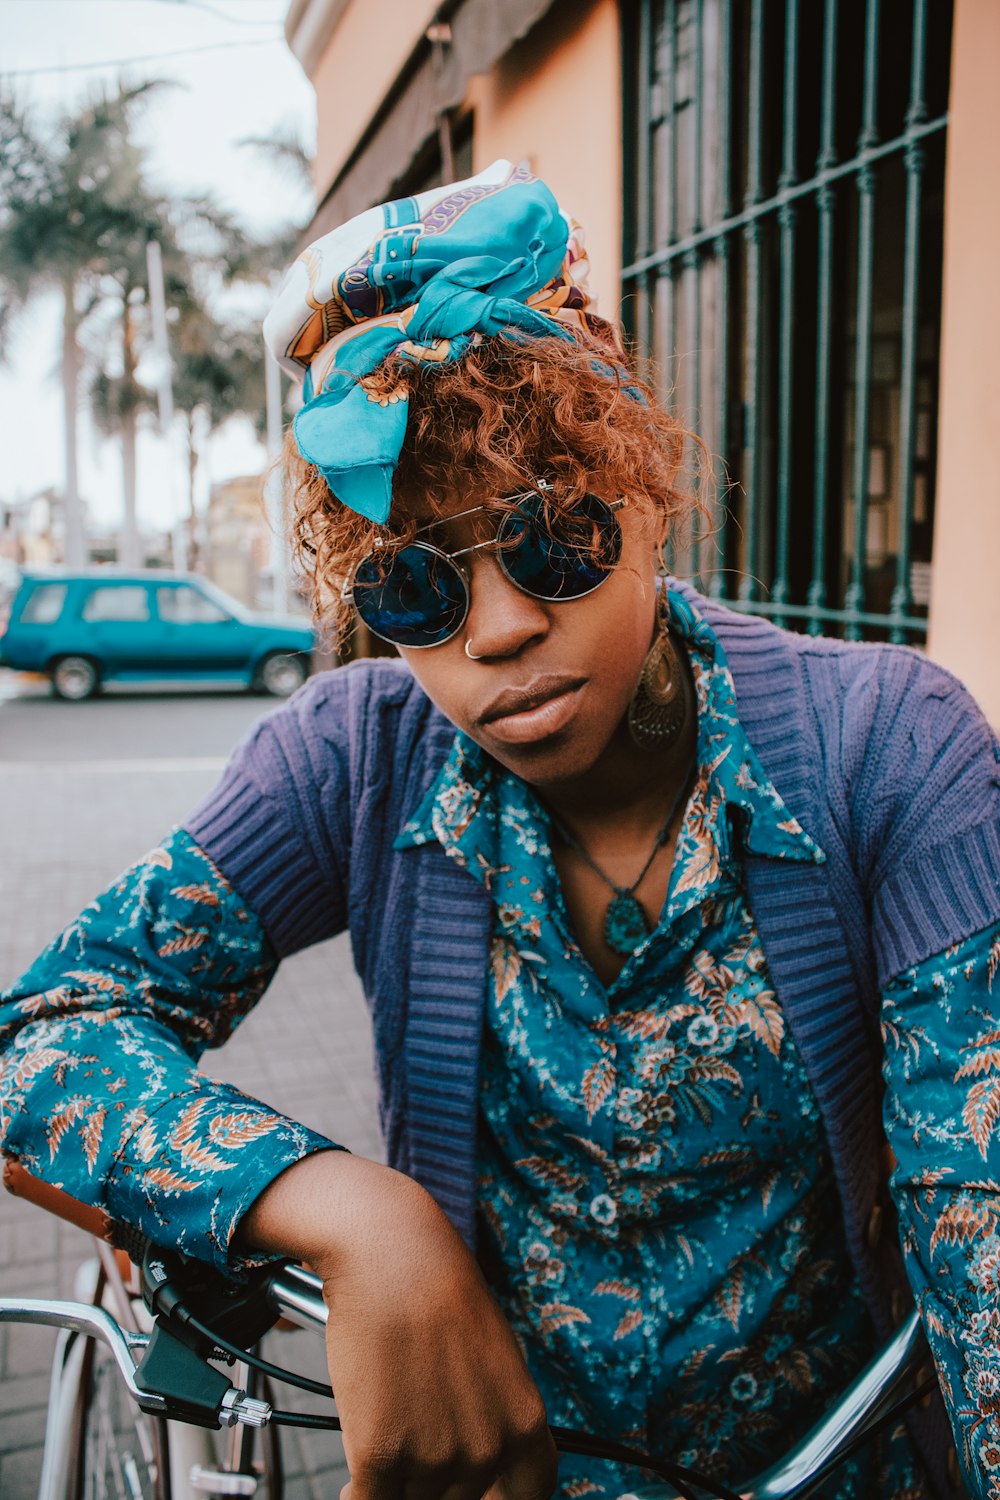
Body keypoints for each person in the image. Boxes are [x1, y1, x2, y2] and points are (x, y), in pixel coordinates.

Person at [1, 159, 997, 1500]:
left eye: (557, 540)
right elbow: (43, 1033)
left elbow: (976, 1232)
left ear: (644, 496)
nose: (501, 628)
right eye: (413, 585)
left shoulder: (888, 750)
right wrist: (359, 1216)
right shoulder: (356, 754)